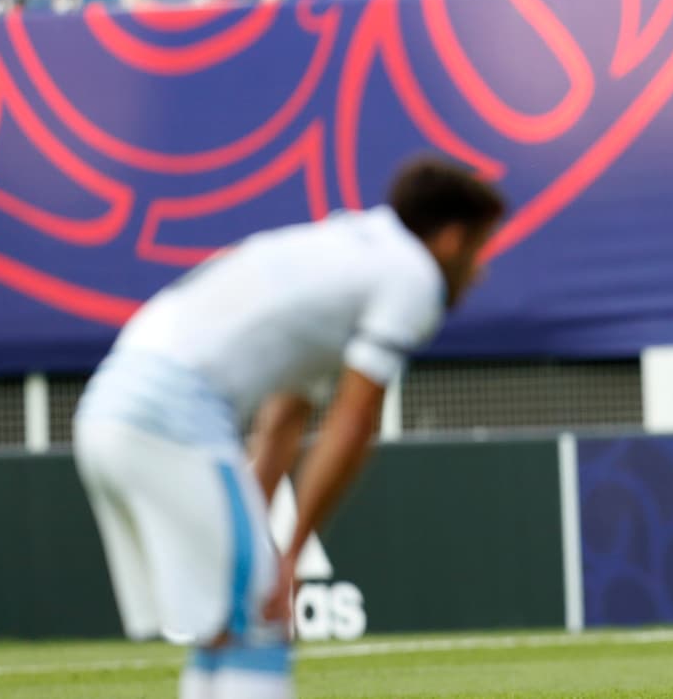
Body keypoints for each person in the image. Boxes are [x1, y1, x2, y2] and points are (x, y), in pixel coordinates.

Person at [73, 158, 505, 698]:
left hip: (108, 409)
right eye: (479, 248)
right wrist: (289, 554)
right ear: (450, 238)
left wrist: (262, 541)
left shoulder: (345, 245)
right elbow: (354, 421)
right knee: (262, 616)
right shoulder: (411, 276)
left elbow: (286, 415)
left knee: (231, 624)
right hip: (171, 417)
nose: (479, 268)